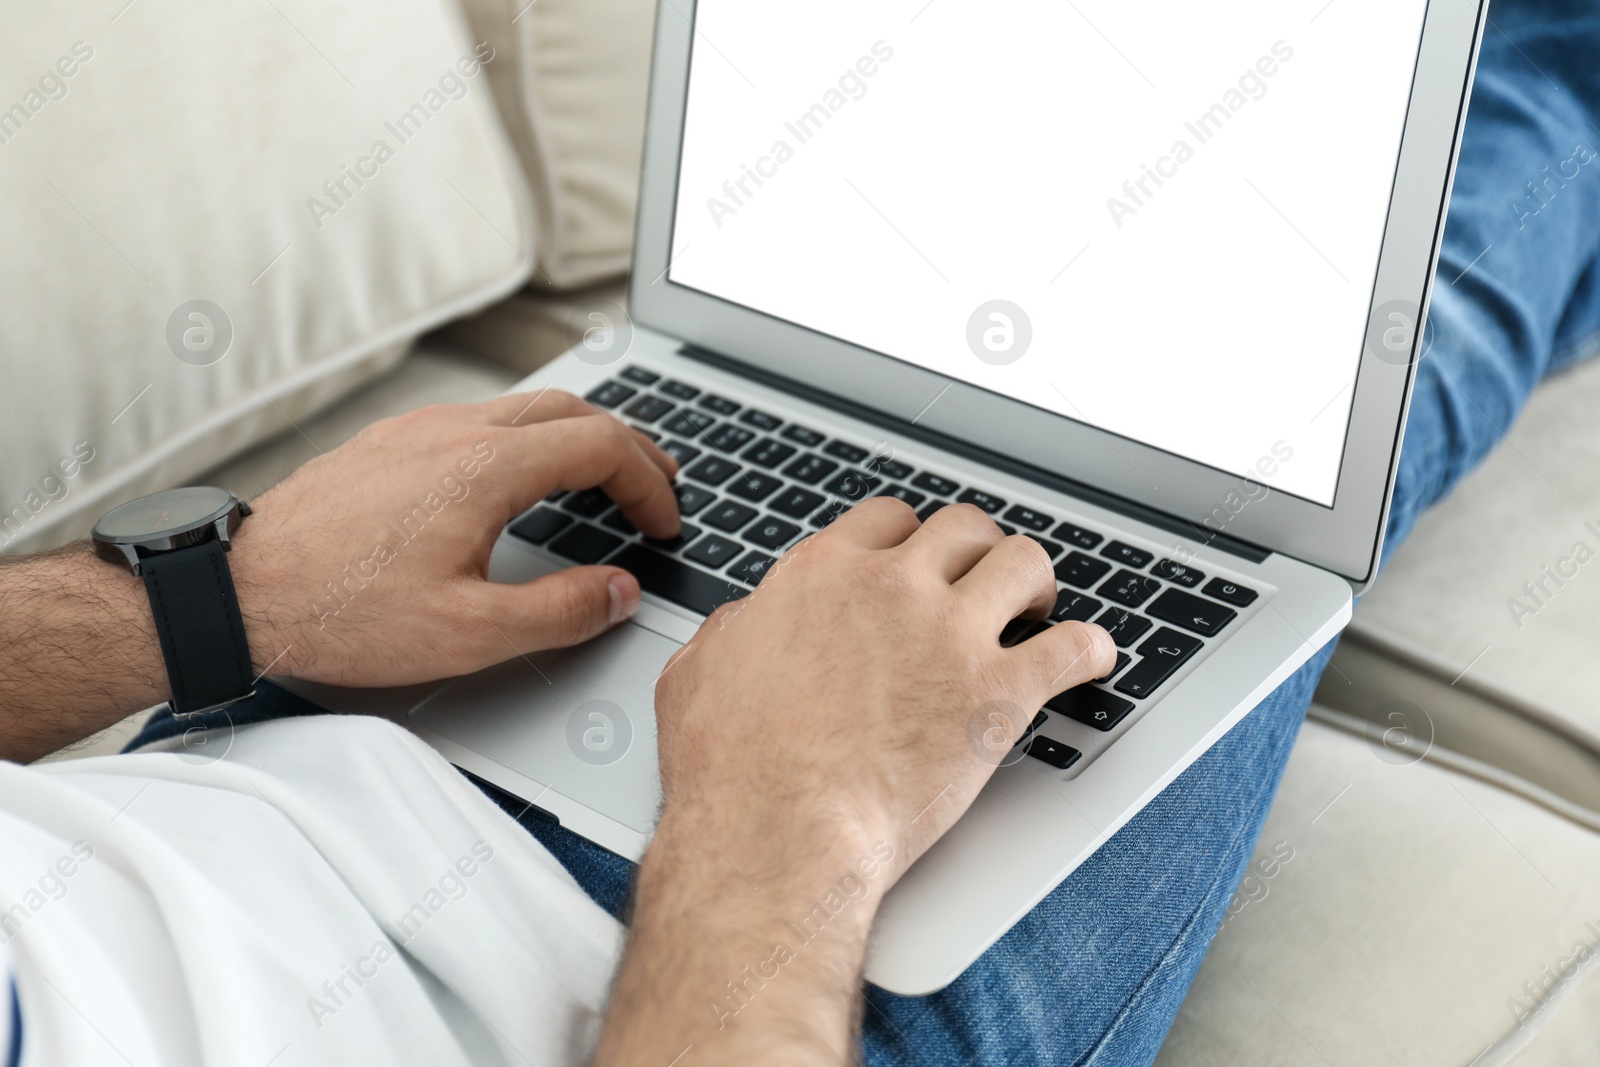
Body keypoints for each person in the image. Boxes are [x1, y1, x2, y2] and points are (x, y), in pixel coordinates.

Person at [1, 1, 1597, 1062]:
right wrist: (793, 816)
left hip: (268, 728)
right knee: (1309, 397)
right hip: (719, 974)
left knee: (873, 346)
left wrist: (212, 601)